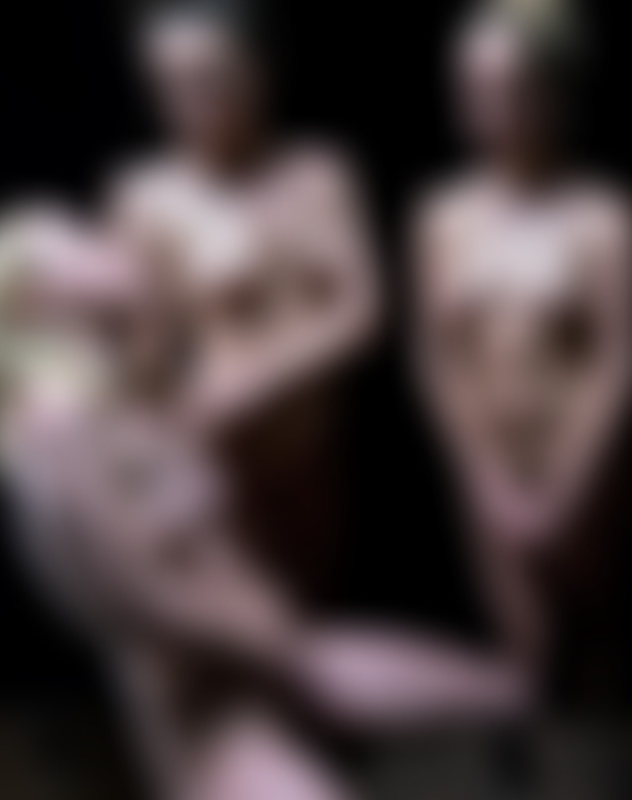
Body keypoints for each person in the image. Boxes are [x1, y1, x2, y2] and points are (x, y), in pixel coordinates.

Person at [0, 205, 527, 800]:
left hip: (264, 666)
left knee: (491, 690)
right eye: (70, 239)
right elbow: (123, 591)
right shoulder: (58, 427)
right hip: (212, 713)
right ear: (26, 298)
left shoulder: (117, 400)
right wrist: (261, 634)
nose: (96, 236)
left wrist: (273, 640)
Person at [412, 0, 632, 702]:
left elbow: (620, 361)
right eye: (468, 85)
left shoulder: (606, 216)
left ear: (554, 92)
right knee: (526, 663)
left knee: (597, 662)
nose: (478, 104)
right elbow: (436, 359)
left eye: (501, 87)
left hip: (585, 474)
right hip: (492, 474)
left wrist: (570, 489)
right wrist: (482, 477)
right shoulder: (441, 215)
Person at [109, 0, 379, 601]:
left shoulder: (317, 173)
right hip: (216, 457)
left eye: (210, 81)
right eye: (171, 86)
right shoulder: (147, 195)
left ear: (259, 72)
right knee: (241, 623)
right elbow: (143, 351)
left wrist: (259, 381)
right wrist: (147, 446)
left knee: (317, 613)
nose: (191, 103)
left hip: (311, 454)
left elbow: (361, 313)